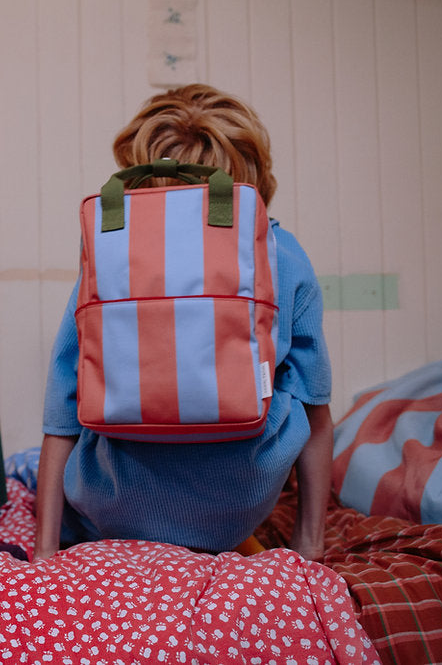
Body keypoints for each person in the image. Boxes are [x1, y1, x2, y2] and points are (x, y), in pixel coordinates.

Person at [34, 84, 333, 562]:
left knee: (52, 444)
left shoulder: (111, 257)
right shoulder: (284, 255)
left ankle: (101, 535)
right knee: (297, 389)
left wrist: (45, 551)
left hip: (114, 507)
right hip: (239, 502)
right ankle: (217, 536)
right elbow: (317, 413)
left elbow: (62, 405)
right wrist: (309, 544)